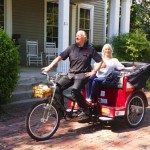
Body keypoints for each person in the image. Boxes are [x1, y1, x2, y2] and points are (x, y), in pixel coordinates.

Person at [42, 30, 104, 116]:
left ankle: (85, 109)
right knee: (56, 88)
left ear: (84, 38)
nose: (76, 37)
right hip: (70, 74)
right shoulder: (71, 48)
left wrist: (93, 72)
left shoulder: (90, 49)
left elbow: (100, 61)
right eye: (76, 35)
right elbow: (59, 57)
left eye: (79, 35)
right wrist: (49, 67)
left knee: (75, 91)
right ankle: (61, 113)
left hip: (82, 75)